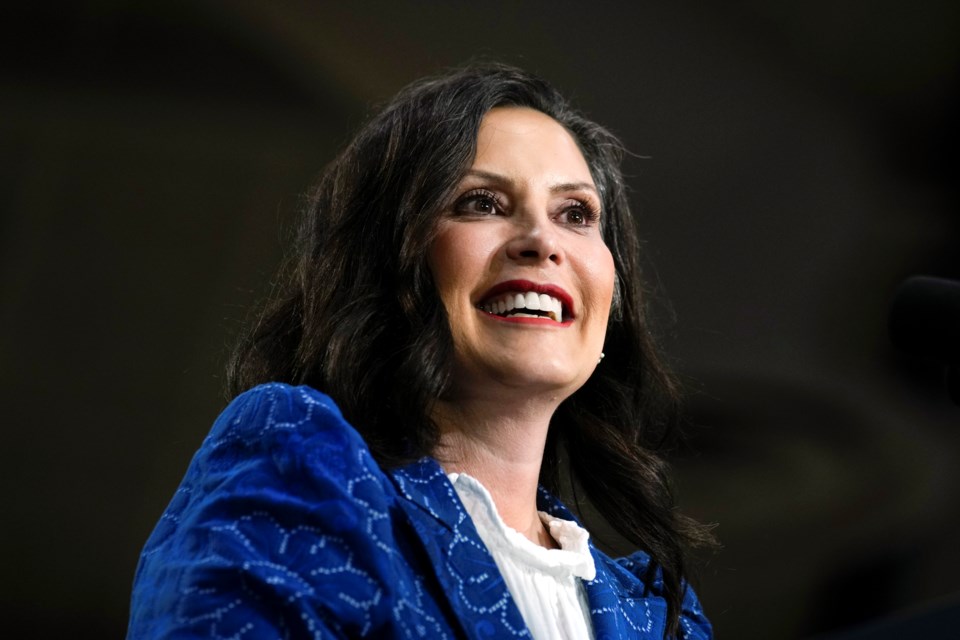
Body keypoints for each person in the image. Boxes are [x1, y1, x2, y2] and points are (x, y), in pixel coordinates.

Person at [127, 63, 715, 639]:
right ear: (390, 264)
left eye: (576, 214)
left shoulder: (663, 618)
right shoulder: (302, 463)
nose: (542, 241)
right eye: (481, 202)